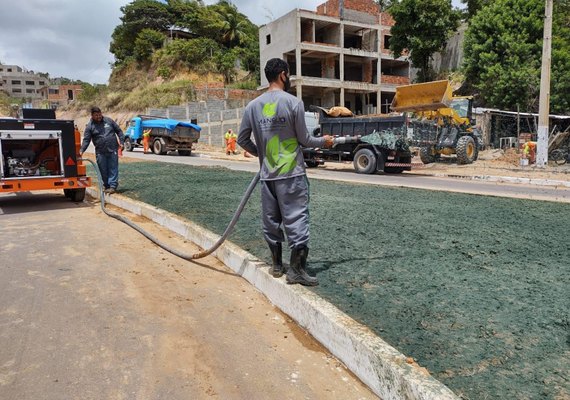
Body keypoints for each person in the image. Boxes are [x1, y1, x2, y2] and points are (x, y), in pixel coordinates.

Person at [237, 58, 334, 286]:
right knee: (297, 220)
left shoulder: (253, 107)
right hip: (291, 175)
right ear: (282, 74)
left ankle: (277, 266)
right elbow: (305, 140)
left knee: (271, 221)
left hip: (268, 176)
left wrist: (262, 154)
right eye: (287, 75)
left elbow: (242, 140)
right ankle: (297, 271)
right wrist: (325, 142)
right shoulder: (293, 103)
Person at [80, 106, 124, 194]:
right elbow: (86, 140)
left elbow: (119, 131)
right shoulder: (90, 126)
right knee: (103, 169)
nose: (99, 116)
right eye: (96, 115)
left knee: (113, 168)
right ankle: (107, 186)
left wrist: (121, 142)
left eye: (100, 114)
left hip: (112, 149)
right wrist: (82, 150)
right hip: (100, 152)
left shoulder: (109, 121)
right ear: (92, 116)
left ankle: (112, 186)